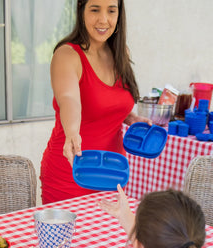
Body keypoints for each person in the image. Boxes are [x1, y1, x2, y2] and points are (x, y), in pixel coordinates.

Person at [40, 0, 152, 204]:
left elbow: (108, 102)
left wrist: (131, 118)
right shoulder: (67, 55)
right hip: (71, 171)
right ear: (81, 10)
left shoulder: (120, 53)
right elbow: (69, 100)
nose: (103, 19)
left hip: (112, 173)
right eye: (95, 9)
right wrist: (72, 132)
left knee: (108, 236)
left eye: (111, 10)